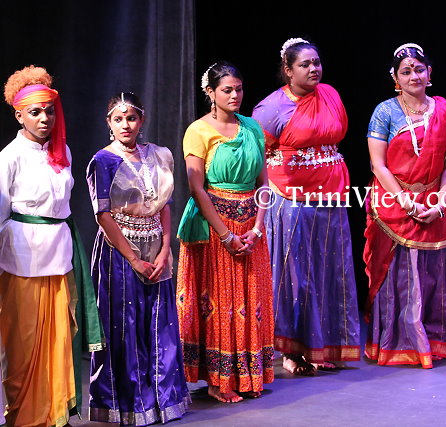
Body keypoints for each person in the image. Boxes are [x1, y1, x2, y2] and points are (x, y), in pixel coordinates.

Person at [0, 65, 103, 426]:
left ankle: (53, 415)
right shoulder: (9, 156)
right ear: (19, 115)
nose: (44, 118)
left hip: (59, 255)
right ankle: (24, 417)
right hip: (22, 259)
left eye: (49, 111)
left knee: (59, 337)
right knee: (24, 343)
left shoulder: (64, 152)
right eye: (35, 112)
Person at [252, 38, 360, 376]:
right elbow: (258, 155)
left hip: (331, 195)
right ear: (288, 70)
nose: (314, 69)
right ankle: (292, 350)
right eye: (305, 64)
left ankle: (323, 346)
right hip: (291, 199)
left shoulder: (330, 94)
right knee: (295, 276)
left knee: (330, 272)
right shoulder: (271, 108)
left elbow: (336, 135)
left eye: (316, 62)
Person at [86, 92, 190, 423]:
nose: (126, 125)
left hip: (156, 247)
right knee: (125, 327)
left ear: (141, 120)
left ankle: (163, 400)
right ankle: (130, 406)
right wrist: (133, 259)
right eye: (118, 119)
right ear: (109, 123)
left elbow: (165, 205)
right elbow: (103, 216)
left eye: (131, 118)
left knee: (159, 325)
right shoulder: (102, 160)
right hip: (119, 254)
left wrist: (165, 248)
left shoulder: (158, 155)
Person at [177, 61, 274, 403]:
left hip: (250, 226)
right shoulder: (198, 130)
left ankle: (247, 374)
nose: (235, 95)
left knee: (249, 300)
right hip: (214, 226)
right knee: (219, 302)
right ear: (211, 93)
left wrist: (258, 229)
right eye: (227, 90)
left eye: (239, 89)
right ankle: (218, 380)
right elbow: (196, 187)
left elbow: (264, 184)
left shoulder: (252, 128)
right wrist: (226, 236)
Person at [363, 43, 446, 368]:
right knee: (399, 276)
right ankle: (400, 343)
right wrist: (404, 200)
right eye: (406, 71)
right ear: (395, 77)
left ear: (429, 73)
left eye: (419, 69)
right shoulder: (385, 112)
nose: (414, 76)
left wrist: (442, 199)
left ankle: (435, 341)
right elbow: (378, 165)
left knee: (434, 276)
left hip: (434, 200)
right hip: (394, 201)